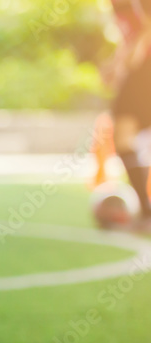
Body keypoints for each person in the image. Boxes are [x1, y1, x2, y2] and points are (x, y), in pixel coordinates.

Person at [105, 0, 151, 226]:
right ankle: (145, 207)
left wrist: (135, 53)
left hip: (145, 69)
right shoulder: (116, 4)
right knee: (125, 141)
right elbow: (129, 37)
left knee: (140, 142)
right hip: (136, 72)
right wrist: (116, 64)